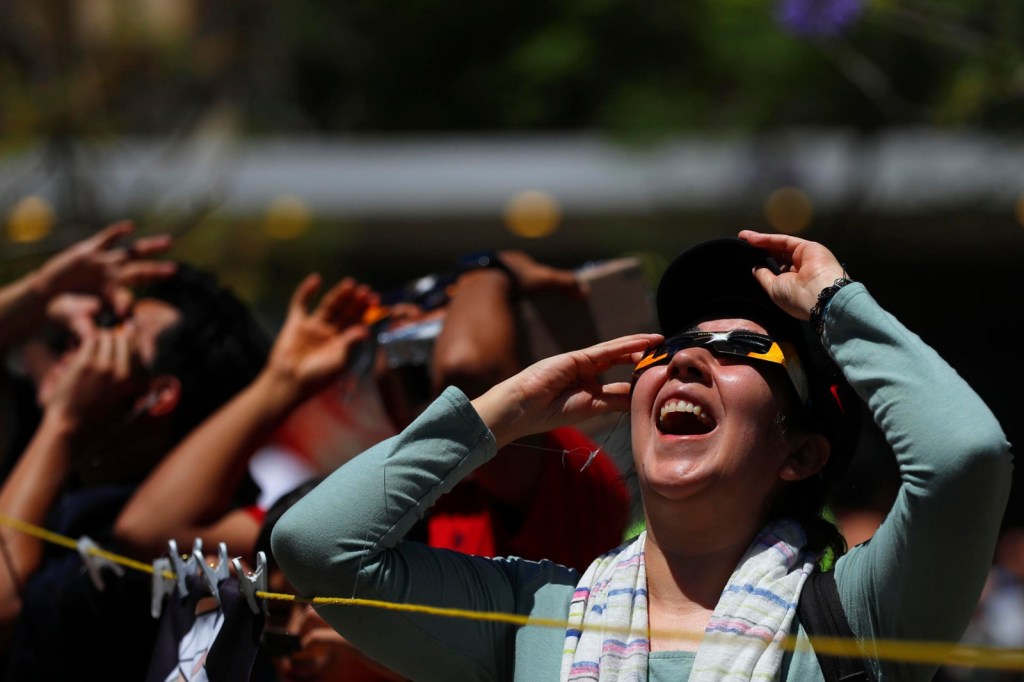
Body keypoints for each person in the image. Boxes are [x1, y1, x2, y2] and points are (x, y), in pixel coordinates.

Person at [271, 230, 1012, 681]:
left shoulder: (860, 613)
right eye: (674, 347)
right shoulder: (534, 616)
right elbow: (318, 547)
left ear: (801, 452)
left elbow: (964, 456)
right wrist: (510, 409)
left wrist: (834, 303)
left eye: (741, 351)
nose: (687, 361)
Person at [0, 225, 271, 680]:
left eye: (110, 326)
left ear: (157, 396)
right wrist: (40, 292)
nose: (76, 334)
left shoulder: (175, 546)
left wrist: (63, 421)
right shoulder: (58, 469)